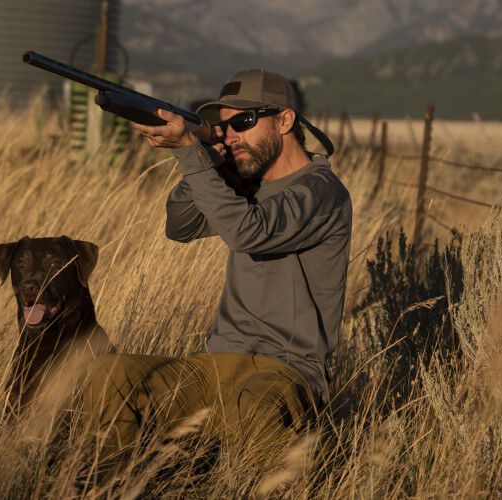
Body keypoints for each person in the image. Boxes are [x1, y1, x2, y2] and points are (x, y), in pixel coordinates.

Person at [76, 68, 352, 467]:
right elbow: (181, 226)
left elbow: (249, 233)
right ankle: (114, 485)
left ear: (285, 120)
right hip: (213, 365)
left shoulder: (321, 191)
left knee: (251, 411)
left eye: (242, 122)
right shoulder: (244, 183)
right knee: (109, 376)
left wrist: (190, 154)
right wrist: (204, 159)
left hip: (284, 372)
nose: (231, 136)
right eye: (223, 127)